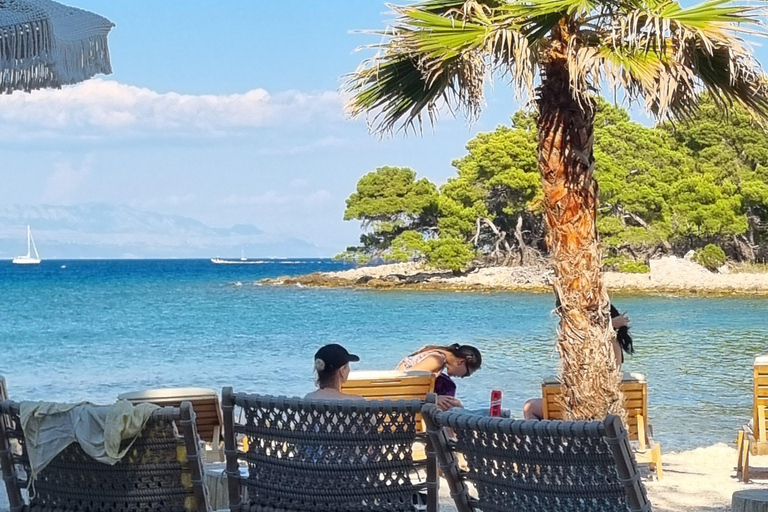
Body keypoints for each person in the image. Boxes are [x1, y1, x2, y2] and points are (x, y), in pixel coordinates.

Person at [522, 305, 634, 420]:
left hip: (588, 406)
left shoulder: (602, 342)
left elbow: (590, 337)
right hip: (607, 406)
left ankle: (545, 438)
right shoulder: (614, 343)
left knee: (530, 408)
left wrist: (610, 324)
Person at [396, 343, 482, 411]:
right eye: (466, 374)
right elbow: (407, 382)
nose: (462, 377)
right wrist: (434, 399)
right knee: (451, 406)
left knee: (453, 404)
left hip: (400, 397)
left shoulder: (438, 356)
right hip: (399, 398)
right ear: (461, 362)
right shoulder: (436, 359)